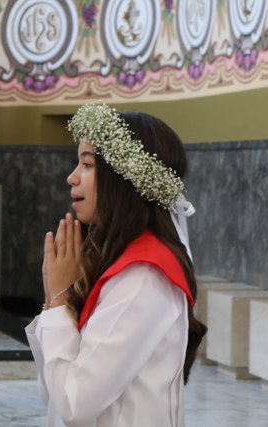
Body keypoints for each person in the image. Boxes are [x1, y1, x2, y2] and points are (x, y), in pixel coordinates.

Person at [25, 103, 207, 426]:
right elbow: (53, 392)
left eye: (87, 164)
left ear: (125, 178)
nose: (72, 177)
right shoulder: (114, 262)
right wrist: (56, 300)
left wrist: (59, 301)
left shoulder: (144, 276)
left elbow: (74, 404)